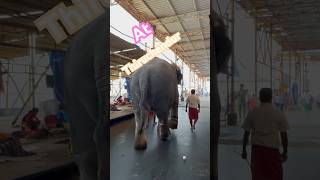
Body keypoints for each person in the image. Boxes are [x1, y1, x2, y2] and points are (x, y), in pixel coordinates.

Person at [241, 88, 289, 180]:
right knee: (275, 176)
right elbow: (284, 136)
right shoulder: (279, 113)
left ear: (260, 98)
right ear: (271, 98)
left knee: (258, 176)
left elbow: (246, 134)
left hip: (257, 153)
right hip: (273, 153)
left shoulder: (252, 113)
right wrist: (285, 152)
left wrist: (244, 150)